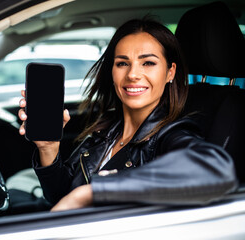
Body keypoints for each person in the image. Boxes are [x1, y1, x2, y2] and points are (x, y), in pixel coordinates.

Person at [18, 18, 238, 211]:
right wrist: (48, 149)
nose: (133, 74)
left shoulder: (171, 134)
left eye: (148, 63)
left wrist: (93, 192)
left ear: (170, 72)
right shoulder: (106, 129)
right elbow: (63, 199)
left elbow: (216, 168)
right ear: (112, 71)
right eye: (122, 63)